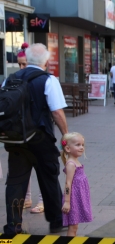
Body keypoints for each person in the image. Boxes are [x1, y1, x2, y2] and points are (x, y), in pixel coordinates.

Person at [3, 43, 68, 234]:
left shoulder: (10, 79)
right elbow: (56, 112)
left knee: (15, 181)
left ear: (27, 59)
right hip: (41, 139)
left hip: (16, 139)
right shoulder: (48, 80)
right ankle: (56, 221)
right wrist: (66, 136)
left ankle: (13, 226)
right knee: (49, 178)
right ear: (46, 61)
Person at [17, 42, 45, 214]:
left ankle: (43, 200)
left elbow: (56, 111)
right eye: (19, 64)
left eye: (24, 63)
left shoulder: (43, 79)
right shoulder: (14, 79)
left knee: (42, 168)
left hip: (39, 133)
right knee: (23, 168)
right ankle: (27, 198)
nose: (21, 67)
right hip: (20, 132)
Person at [61, 132, 92, 236]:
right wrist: (67, 201)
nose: (81, 147)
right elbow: (67, 183)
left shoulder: (76, 161)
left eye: (82, 145)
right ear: (68, 148)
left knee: (75, 226)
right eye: (78, 145)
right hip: (73, 199)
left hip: (78, 197)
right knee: (73, 226)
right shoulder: (71, 164)